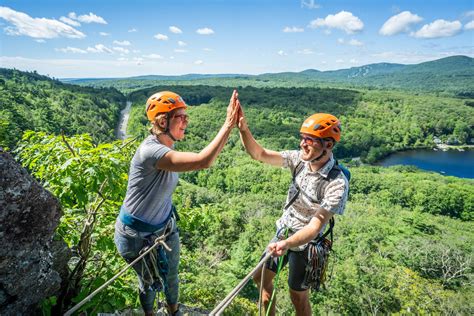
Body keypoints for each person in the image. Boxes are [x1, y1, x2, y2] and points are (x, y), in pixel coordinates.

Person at [114, 90, 240, 316]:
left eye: (186, 117)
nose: (186, 122)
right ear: (163, 121)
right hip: (135, 234)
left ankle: (174, 312)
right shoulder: (151, 151)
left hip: (164, 227)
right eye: (180, 117)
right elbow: (203, 161)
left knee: (172, 275)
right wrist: (228, 124)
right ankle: (150, 314)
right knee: (149, 282)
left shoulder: (167, 147)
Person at [237, 103, 349, 316]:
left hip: (306, 244)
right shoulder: (298, 159)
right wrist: (243, 128)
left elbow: (315, 226)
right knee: (260, 279)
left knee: (297, 296)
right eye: (302, 138)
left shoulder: (337, 182)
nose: (302, 144)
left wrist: (287, 244)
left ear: (328, 145)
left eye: (309, 140)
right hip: (284, 231)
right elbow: (259, 154)